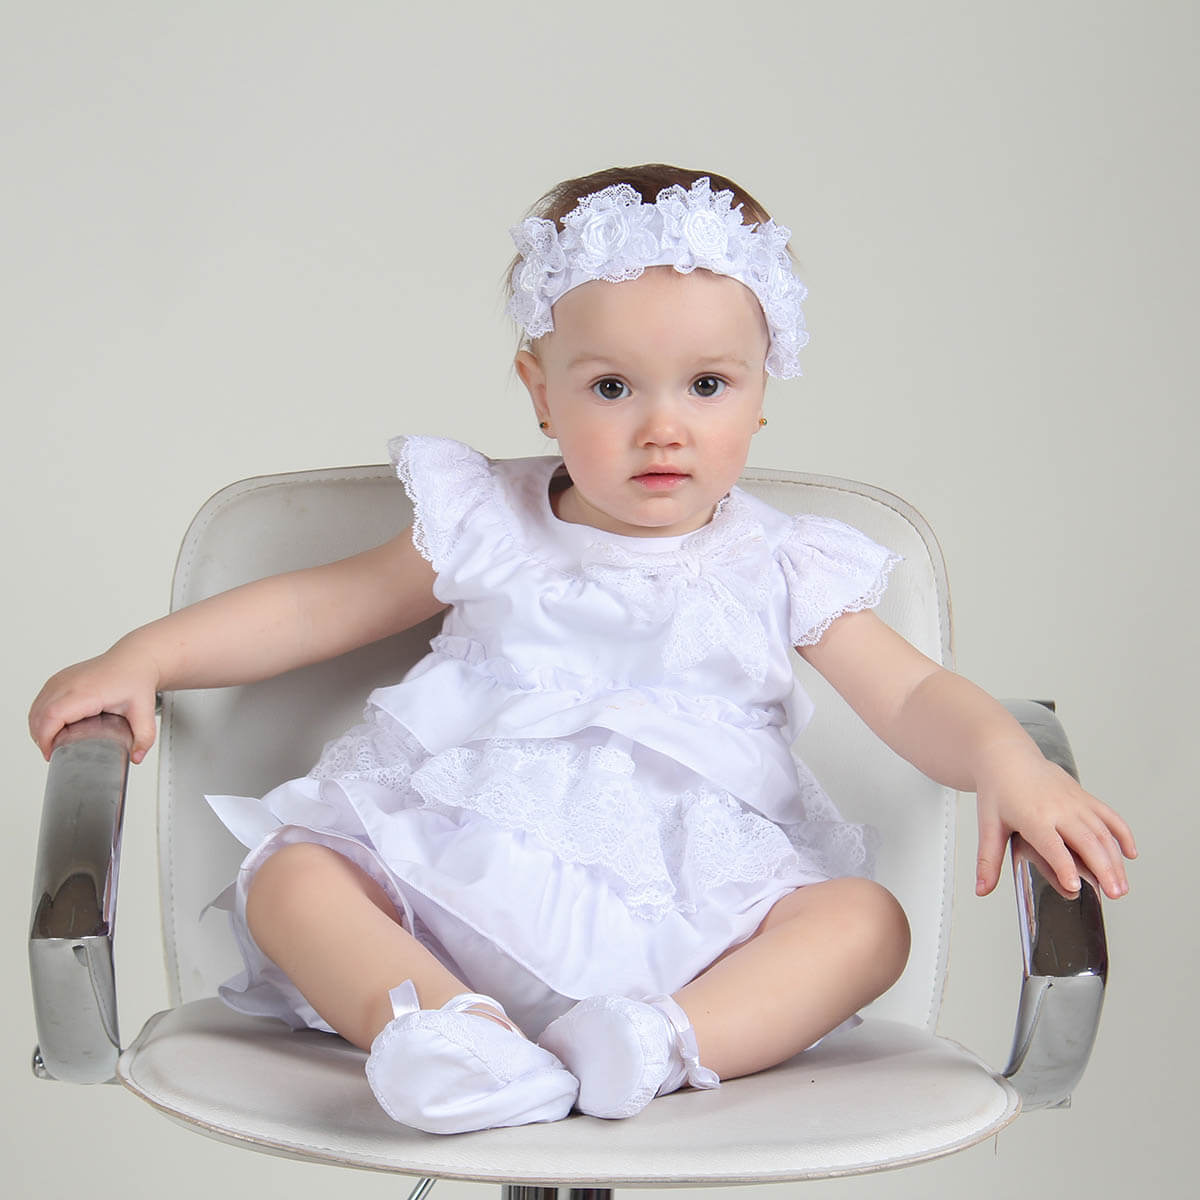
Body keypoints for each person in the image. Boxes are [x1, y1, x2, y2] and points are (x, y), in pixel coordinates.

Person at [29, 163, 1136, 1136]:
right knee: (293, 873)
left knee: (863, 922)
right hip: (452, 892)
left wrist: (1006, 759)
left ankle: (659, 1043)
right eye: (612, 386)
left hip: (693, 918)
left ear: (762, 393)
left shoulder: (781, 563)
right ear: (540, 393)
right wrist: (148, 654)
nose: (663, 426)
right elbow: (318, 607)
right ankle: (442, 1034)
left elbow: (915, 699)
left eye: (708, 385)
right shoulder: (486, 524)